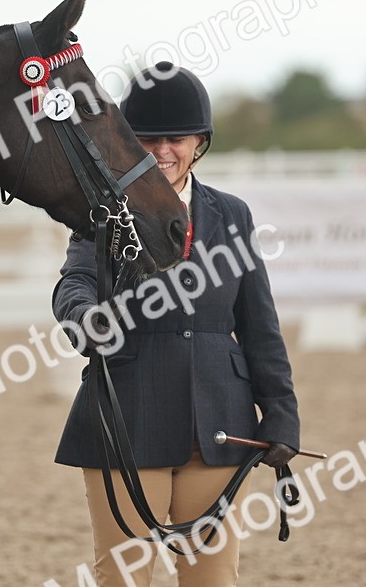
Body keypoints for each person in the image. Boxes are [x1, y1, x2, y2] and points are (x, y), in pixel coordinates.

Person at [52, 62, 300, 587]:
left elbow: (259, 324)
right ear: (130, 143)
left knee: (213, 577)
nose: (163, 150)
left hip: (220, 423)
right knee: (123, 576)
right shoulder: (103, 212)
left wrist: (280, 412)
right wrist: (85, 317)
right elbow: (74, 282)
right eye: (150, 139)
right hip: (128, 417)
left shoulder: (231, 215)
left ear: (198, 143)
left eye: (177, 139)